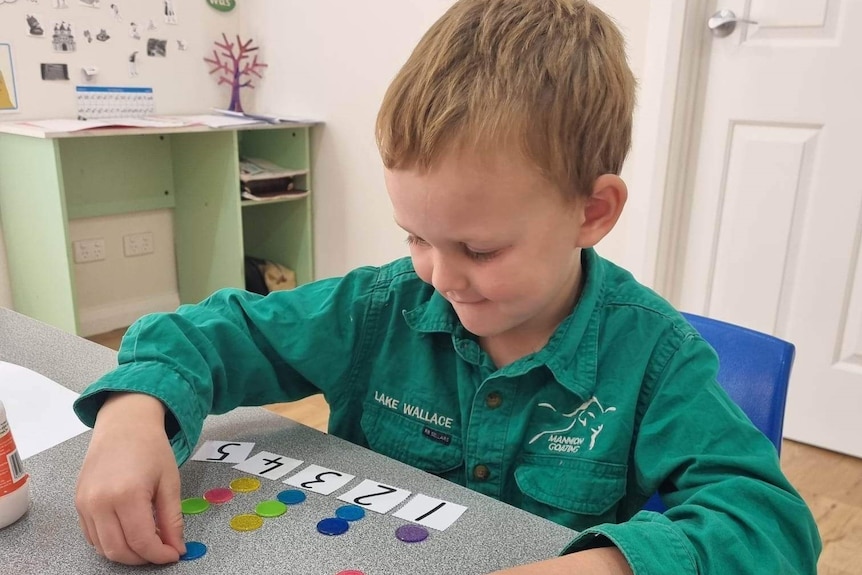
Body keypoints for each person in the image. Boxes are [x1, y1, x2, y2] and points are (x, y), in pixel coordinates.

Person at [72, 1, 822, 573]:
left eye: (481, 247)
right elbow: (206, 333)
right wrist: (134, 415)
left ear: (592, 212)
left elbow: (770, 520)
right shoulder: (381, 306)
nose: (440, 274)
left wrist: (612, 561)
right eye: (416, 235)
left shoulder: (653, 357)